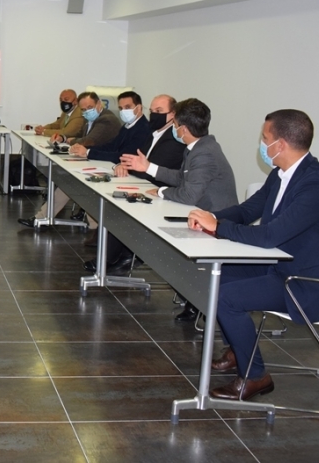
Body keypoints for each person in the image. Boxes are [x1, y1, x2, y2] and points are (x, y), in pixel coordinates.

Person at [188, 109, 319, 401]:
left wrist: (219, 227)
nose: (262, 143)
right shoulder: (280, 174)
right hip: (277, 265)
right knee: (215, 276)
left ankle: (255, 375)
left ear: (281, 144)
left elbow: (271, 235)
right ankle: (239, 347)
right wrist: (208, 217)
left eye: (265, 137)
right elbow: (248, 210)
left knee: (226, 299)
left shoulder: (313, 183)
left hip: (303, 280)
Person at [122, 98, 238, 318]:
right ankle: (192, 297)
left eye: (175, 125)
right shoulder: (196, 146)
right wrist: (149, 168)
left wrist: (161, 191)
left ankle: (197, 299)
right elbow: (181, 176)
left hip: (216, 221)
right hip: (199, 213)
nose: (174, 130)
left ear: (183, 129)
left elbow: (188, 194)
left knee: (166, 244)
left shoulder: (204, 152)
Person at [84, 94, 186, 274]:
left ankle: (118, 256)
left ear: (173, 114)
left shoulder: (173, 139)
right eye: (152, 111)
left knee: (119, 205)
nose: (154, 115)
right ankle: (118, 255)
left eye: (159, 111)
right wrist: (123, 165)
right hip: (145, 184)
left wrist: (128, 166)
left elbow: (151, 168)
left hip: (161, 190)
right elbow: (137, 159)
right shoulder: (155, 133)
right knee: (115, 198)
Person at [18, 91, 121, 228]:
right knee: (68, 183)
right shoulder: (89, 118)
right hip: (92, 161)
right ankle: (41, 218)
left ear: (98, 104)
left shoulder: (106, 119)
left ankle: (95, 226)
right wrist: (64, 138)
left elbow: (89, 140)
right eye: (83, 109)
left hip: (105, 164)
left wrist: (72, 140)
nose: (86, 111)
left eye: (89, 108)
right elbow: (77, 135)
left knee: (72, 183)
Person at [69, 91, 149, 163]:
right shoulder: (127, 125)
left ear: (138, 108)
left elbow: (123, 156)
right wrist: (84, 148)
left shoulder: (144, 129)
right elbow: (111, 146)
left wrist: (88, 152)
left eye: (127, 107)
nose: (123, 111)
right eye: (121, 108)